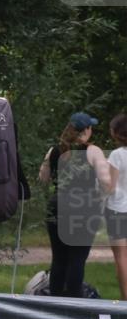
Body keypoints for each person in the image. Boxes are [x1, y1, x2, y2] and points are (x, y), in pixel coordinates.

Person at [38, 111, 114, 298]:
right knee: (77, 258)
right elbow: (106, 182)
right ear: (86, 130)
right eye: (91, 128)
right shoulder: (93, 151)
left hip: (57, 205)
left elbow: (43, 178)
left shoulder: (55, 150)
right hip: (84, 206)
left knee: (59, 258)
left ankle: (54, 302)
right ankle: (74, 302)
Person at [105, 113, 127, 299]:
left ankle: (125, 300)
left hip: (117, 210)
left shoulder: (116, 155)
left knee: (121, 258)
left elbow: (110, 187)